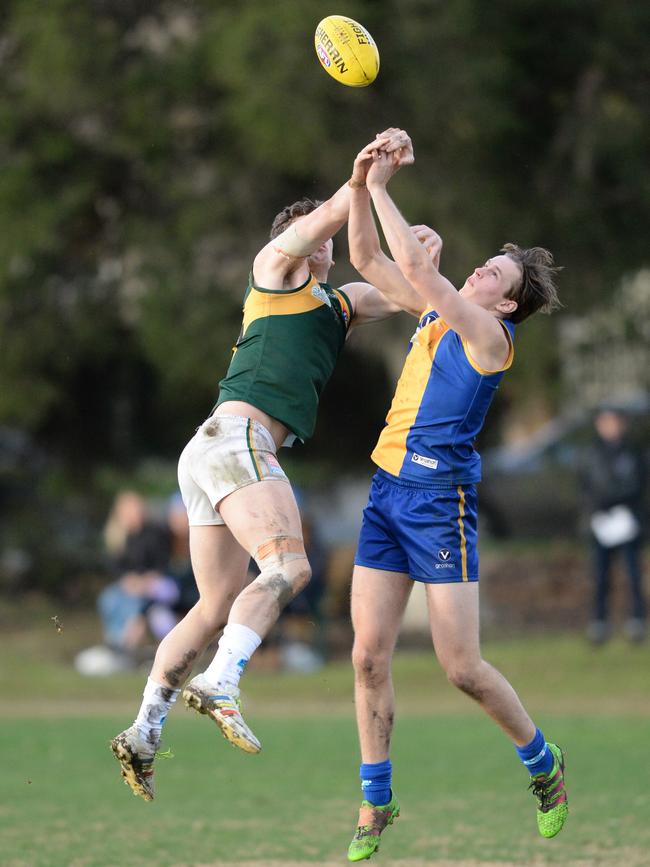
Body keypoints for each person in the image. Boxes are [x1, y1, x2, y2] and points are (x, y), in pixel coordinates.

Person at [110, 130, 436, 801]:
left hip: (213, 449)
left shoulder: (338, 303)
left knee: (214, 604)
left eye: (321, 234)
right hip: (237, 441)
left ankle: (144, 730)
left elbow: (412, 299)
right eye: (309, 228)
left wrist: (422, 257)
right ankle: (221, 682)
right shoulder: (275, 271)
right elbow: (329, 219)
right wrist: (367, 179)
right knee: (288, 567)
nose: (320, 239)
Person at [343, 131, 567, 861]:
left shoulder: (489, 337)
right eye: (486, 263)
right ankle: (376, 801)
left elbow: (413, 263)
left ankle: (543, 764)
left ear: (506, 301)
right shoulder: (439, 311)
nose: (479, 270)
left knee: (461, 667)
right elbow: (370, 262)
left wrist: (386, 187)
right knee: (367, 656)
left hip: (441, 505)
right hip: (386, 494)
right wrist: (359, 183)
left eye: (494, 272)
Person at [581, 407, 646, 644]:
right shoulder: (591, 453)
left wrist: (624, 507)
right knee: (600, 575)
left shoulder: (632, 452)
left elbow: (638, 484)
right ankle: (599, 623)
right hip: (601, 522)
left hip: (627, 519)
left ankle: (637, 620)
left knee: (632, 573)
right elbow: (586, 487)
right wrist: (597, 512)